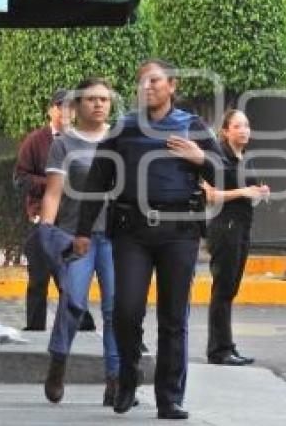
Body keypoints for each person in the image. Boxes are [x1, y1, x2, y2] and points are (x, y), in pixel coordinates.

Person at [75, 59, 222, 420]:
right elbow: (97, 179)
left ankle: (169, 398)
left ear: (172, 86)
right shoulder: (124, 129)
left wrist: (200, 156)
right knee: (125, 311)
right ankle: (128, 376)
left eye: (155, 81)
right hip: (132, 232)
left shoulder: (192, 126)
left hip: (180, 232)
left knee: (174, 318)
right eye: (142, 82)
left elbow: (226, 170)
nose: (148, 87)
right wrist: (81, 231)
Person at [39, 78, 120, 405]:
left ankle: (114, 379)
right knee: (73, 303)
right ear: (77, 105)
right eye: (91, 99)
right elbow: (53, 192)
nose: (99, 104)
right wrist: (47, 227)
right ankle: (58, 362)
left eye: (104, 99)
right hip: (77, 237)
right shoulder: (64, 144)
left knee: (116, 310)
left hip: (115, 238)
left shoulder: (119, 140)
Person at [16, 89, 95, 331]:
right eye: (61, 106)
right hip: (43, 220)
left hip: (72, 223)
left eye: (71, 107)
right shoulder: (35, 140)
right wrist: (53, 183)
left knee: (71, 280)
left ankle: (78, 327)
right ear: (51, 109)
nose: (66, 112)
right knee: (38, 279)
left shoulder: (82, 141)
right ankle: (35, 329)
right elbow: (20, 178)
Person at [202, 110, 269, 366]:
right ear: (226, 131)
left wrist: (259, 192)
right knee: (222, 288)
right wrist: (244, 190)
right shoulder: (217, 157)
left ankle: (226, 345)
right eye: (238, 126)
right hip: (224, 226)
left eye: (247, 125)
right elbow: (211, 195)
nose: (244, 130)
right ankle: (218, 350)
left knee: (230, 289)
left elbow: (248, 191)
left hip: (243, 225)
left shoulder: (245, 158)